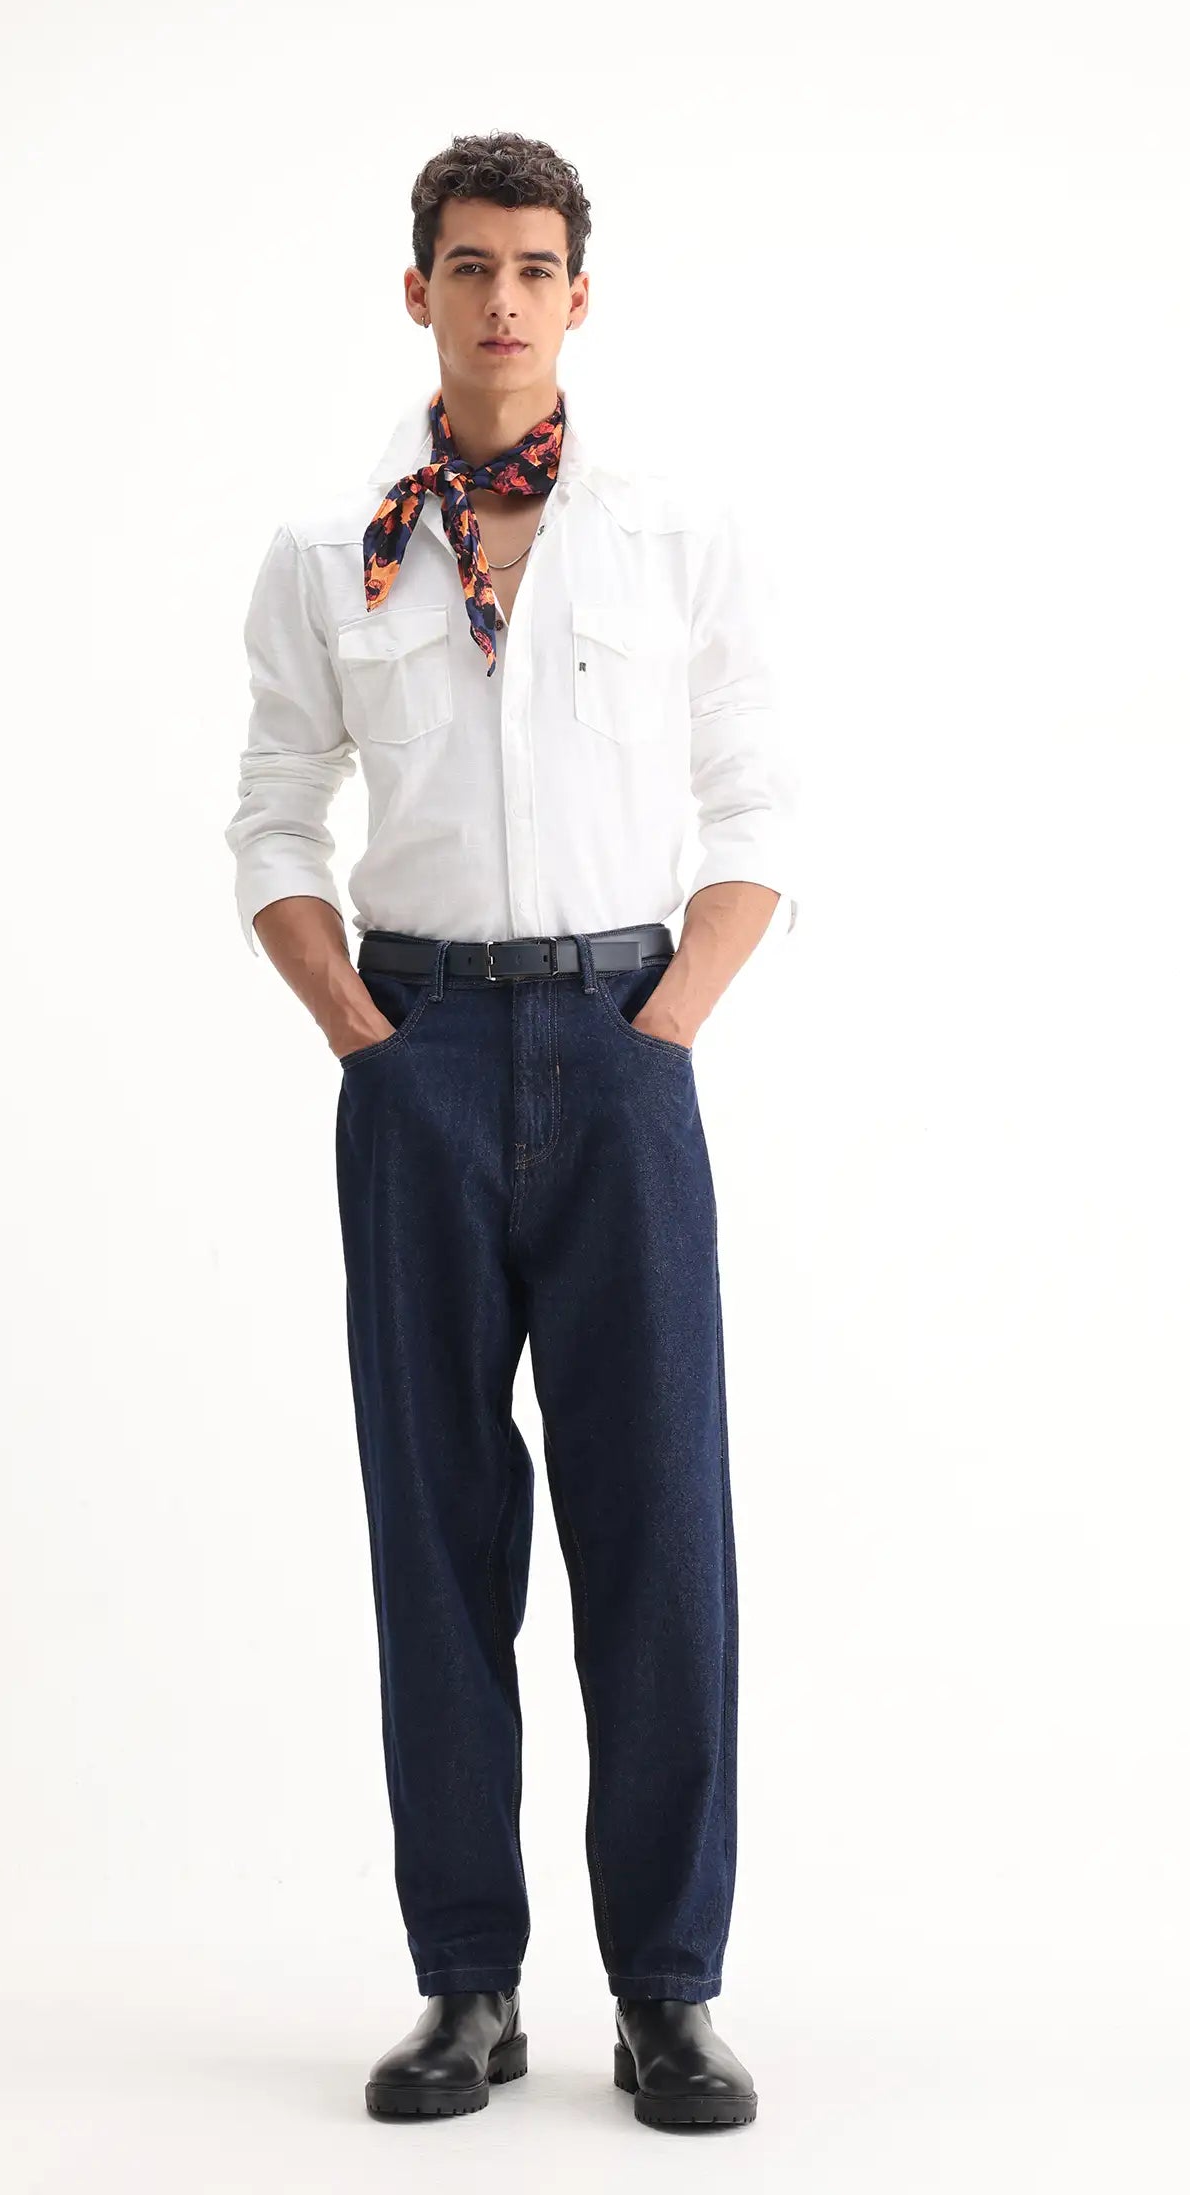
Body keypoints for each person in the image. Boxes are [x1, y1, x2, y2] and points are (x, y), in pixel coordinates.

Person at [225, 131, 798, 2131]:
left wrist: (666, 1030)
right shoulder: (332, 554)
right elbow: (274, 819)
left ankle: (669, 1990)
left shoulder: (667, 537)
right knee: (438, 1531)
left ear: (579, 296)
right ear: (419, 293)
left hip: (624, 1046)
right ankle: (467, 1981)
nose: (500, 299)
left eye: (534, 267)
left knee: (660, 1530)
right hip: (423, 1060)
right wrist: (363, 1039)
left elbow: (758, 804)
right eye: (467, 266)